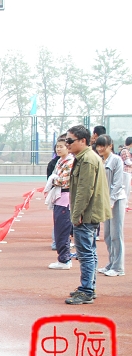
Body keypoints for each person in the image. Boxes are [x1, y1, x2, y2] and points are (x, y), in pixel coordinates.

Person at [64, 125, 111, 305]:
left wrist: (76, 215)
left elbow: (84, 191)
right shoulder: (85, 157)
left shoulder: (87, 160)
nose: (67, 144)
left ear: (83, 141)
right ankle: (89, 286)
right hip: (89, 212)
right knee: (89, 251)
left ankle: (86, 290)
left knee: (85, 254)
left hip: (86, 214)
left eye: (70, 140)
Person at [95, 135, 126, 277]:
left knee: (116, 234)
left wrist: (111, 201)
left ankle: (118, 267)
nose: (100, 149)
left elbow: (118, 183)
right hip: (105, 201)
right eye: (98, 146)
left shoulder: (116, 160)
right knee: (107, 234)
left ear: (110, 146)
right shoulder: (100, 160)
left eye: (103, 146)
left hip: (116, 200)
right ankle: (111, 263)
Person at [44, 136, 74, 270]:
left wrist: (53, 180)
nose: (59, 149)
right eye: (57, 147)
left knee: (62, 229)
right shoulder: (60, 161)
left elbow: (64, 181)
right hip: (59, 198)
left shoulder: (70, 161)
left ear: (68, 148)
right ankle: (63, 257)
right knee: (59, 229)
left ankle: (64, 259)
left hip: (65, 199)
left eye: (61, 146)